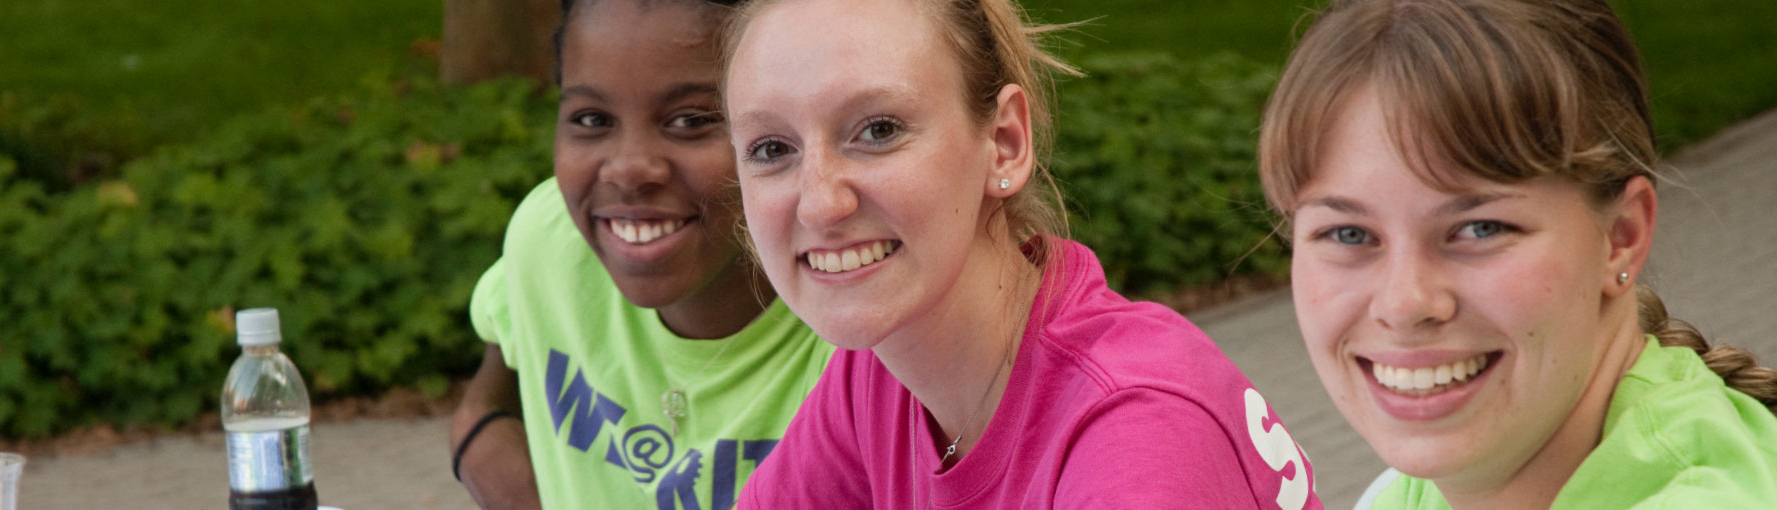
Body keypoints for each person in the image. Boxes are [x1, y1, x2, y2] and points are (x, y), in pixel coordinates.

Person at [720, 0, 1324, 507]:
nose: (820, 204)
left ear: (1005, 143)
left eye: (878, 130)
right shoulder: (879, 376)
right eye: (772, 148)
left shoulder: (1135, 437)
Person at [1256, 0, 1777, 507]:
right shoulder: (1409, 493)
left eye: (1479, 228)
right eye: (1348, 234)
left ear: (1621, 237)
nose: (1404, 303)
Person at [449, 0, 833, 508]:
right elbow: (484, 407)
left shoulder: (852, 330)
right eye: (591, 118)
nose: (629, 169)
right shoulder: (549, 242)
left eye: (690, 119)